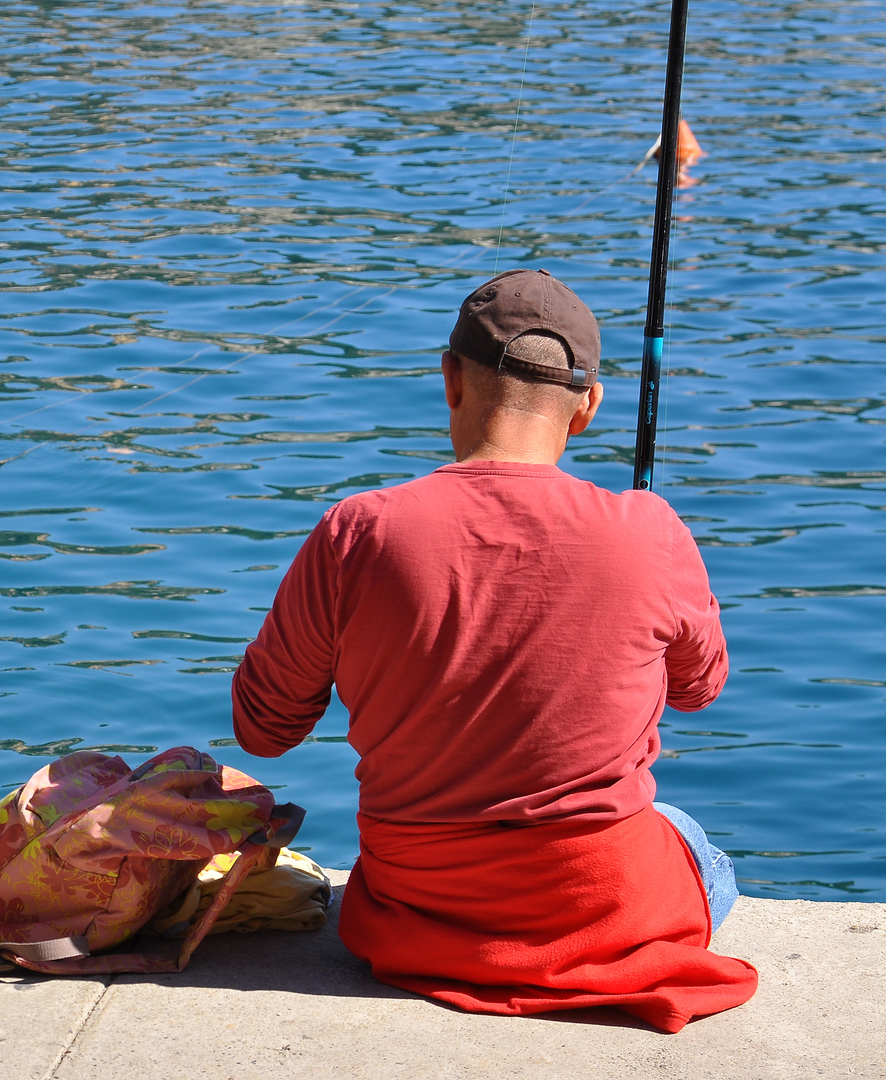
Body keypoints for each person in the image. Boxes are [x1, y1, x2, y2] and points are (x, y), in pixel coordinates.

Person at [231, 269, 758, 1033]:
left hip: (416, 916)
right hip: (606, 908)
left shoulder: (356, 531)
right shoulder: (651, 529)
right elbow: (699, 687)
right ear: (588, 409)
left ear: (450, 378)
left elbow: (262, 731)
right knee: (692, 836)